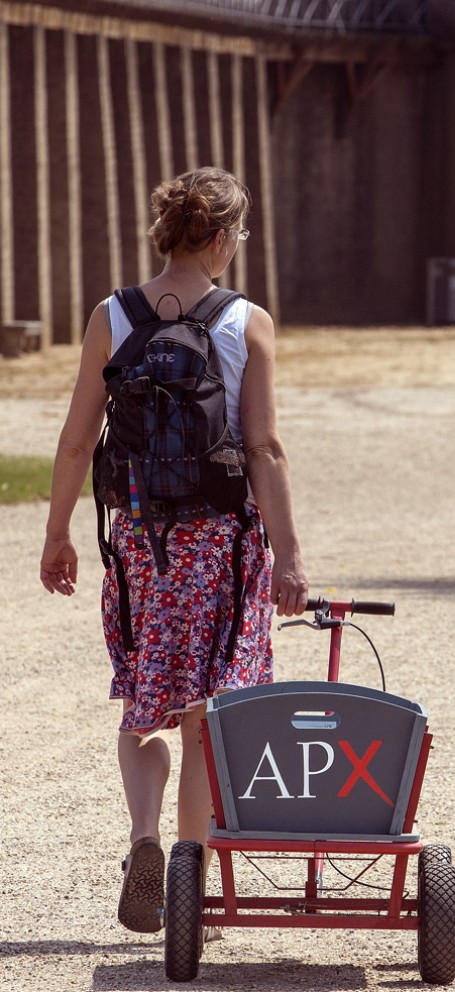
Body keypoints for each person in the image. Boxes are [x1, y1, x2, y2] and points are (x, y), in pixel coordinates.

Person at [39, 166, 308, 934]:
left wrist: (58, 533)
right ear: (222, 238)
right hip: (218, 546)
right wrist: (288, 555)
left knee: (143, 709)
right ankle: (190, 893)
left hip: (141, 547)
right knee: (205, 718)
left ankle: (144, 839)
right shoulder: (245, 320)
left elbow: (74, 440)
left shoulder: (112, 317)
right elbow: (264, 446)